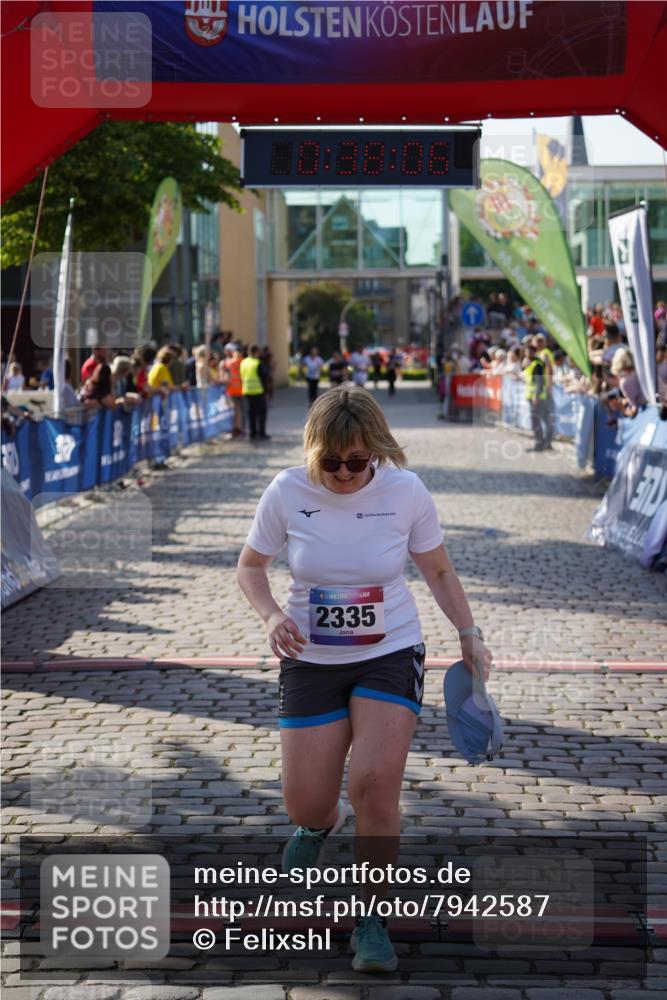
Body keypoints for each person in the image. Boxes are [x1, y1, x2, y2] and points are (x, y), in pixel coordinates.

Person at [236, 386, 493, 974]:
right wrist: (273, 615)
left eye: (359, 460)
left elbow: (438, 569)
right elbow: (251, 567)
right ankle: (321, 824)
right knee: (308, 802)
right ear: (313, 452)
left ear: (377, 450)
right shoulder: (286, 491)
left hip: (390, 651)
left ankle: (371, 921)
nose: (347, 472)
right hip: (310, 659)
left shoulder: (405, 491)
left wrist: (469, 633)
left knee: (375, 787)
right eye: (332, 462)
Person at [523, 342, 549, 451]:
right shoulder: (532, 363)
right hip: (534, 396)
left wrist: (536, 396)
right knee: (539, 421)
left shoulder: (537, 364)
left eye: (529, 351)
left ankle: (539, 444)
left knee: (536, 421)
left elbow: (540, 381)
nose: (527, 353)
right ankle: (541, 442)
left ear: (534, 352)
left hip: (536, 397)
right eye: (526, 351)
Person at [240, 344, 269, 441]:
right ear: (256, 352)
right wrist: (266, 391)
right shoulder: (257, 363)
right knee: (261, 413)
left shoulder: (243, 362)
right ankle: (261, 432)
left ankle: (251, 433)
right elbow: (264, 378)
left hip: (247, 391)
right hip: (258, 391)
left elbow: (242, 376)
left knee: (250, 413)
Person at [220, 345, 245, 437]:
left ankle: (235, 429)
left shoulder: (227, 363)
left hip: (231, 390)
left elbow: (223, 376)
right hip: (240, 390)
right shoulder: (242, 362)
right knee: (239, 410)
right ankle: (239, 428)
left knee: (234, 411)